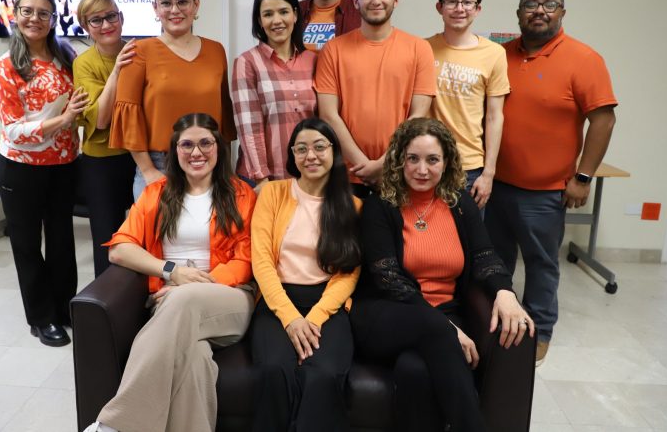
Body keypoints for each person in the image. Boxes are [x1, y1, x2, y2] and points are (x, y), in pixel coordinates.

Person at [350, 117, 534, 431]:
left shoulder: (460, 204)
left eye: (432, 160)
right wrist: (446, 329)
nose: (422, 169)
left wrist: (505, 292)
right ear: (399, 160)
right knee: (434, 332)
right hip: (386, 313)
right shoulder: (380, 206)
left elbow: (484, 254)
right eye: (413, 159)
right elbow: (389, 279)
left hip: (444, 312)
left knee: (415, 370)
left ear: (446, 162)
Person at [83, 113, 257, 432]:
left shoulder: (242, 194)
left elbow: (246, 261)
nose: (196, 152)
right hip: (169, 302)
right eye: (186, 145)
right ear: (174, 151)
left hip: (230, 299)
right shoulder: (157, 193)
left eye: (205, 143)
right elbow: (119, 248)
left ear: (218, 147)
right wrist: (171, 271)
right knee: (194, 361)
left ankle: (115, 425)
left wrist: (191, 287)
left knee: (184, 301)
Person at [485, 0, 617, 366]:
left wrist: (584, 177)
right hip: (494, 185)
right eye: (531, 4)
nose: (539, 11)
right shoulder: (500, 54)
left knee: (541, 264)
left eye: (549, 4)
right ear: (518, 13)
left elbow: (604, 120)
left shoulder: (584, 58)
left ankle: (540, 331)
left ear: (562, 12)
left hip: (544, 192)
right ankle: (498, 323)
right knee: (494, 261)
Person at [250, 117, 360, 432]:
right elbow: (262, 261)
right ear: (292, 156)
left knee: (323, 374)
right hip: (277, 300)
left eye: (319, 147)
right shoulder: (272, 193)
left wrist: (314, 318)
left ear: (333, 152)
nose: (310, 155)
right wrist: (291, 318)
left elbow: (348, 273)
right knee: (274, 370)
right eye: (301, 149)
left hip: (327, 304)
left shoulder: (352, 205)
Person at [0, 0, 88, 347]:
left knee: (62, 240)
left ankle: (64, 309)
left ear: (53, 19)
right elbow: (14, 130)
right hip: (22, 167)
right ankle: (41, 318)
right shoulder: (6, 66)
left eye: (43, 13)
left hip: (64, 164)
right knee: (27, 243)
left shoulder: (66, 56)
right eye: (27, 11)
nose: (35, 18)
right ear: (15, 15)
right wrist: (64, 120)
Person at [110, 0, 236, 200]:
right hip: (159, 167)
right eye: (166, 3)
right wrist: (149, 171)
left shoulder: (216, 51)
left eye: (182, 1)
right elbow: (129, 118)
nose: (175, 10)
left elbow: (223, 116)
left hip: (209, 165)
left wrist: (225, 170)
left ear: (196, 5)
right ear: (155, 8)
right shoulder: (138, 51)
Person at [316, 0, 436, 199]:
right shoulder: (333, 49)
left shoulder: (419, 48)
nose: (376, 0)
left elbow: (418, 115)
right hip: (346, 173)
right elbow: (328, 114)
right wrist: (363, 165)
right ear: (356, 1)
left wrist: (384, 163)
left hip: (400, 170)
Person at [428, 0, 510, 210]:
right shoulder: (422, 48)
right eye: (452, 2)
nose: (459, 9)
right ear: (439, 7)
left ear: (477, 9)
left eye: (467, 2)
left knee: (466, 233)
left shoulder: (494, 53)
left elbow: (495, 116)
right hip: (426, 161)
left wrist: (488, 173)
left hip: (469, 167)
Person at [73, 0, 137, 277]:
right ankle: (107, 299)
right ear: (85, 27)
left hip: (141, 156)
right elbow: (101, 119)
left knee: (144, 234)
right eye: (96, 20)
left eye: (111, 16)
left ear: (121, 17)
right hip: (102, 160)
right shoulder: (84, 63)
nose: (106, 25)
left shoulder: (141, 52)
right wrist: (117, 71)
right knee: (107, 238)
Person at [231, 0, 317, 192]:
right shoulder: (247, 62)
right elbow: (249, 126)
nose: (277, 20)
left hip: (308, 174)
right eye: (268, 14)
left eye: (284, 12)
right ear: (260, 21)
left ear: (295, 15)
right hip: (264, 179)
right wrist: (262, 179)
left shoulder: (312, 60)